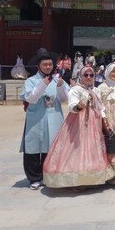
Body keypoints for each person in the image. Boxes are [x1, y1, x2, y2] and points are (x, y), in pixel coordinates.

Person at [43, 65, 114, 188]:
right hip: (78, 122)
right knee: (78, 148)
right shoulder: (76, 89)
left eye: (91, 75)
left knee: (93, 148)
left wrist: (105, 119)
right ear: (80, 76)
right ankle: (78, 178)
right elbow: (71, 105)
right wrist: (80, 105)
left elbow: (100, 107)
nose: (88, 77)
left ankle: (93, 177)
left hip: (94, 123)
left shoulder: (96, 91)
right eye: (85, 75)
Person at [20, 48, 68, 189]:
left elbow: (64, 99)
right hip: (36, 117)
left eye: (50, 64)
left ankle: (48, 174)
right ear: (38, 66)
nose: (48, 67)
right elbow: (31, 98)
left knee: (51, 146)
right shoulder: (31, 81)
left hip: (54, 116)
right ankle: (34, 178)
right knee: (33, 147)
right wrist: (43, 84)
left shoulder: (58, 80)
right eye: (44, 64)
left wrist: (60, 87)